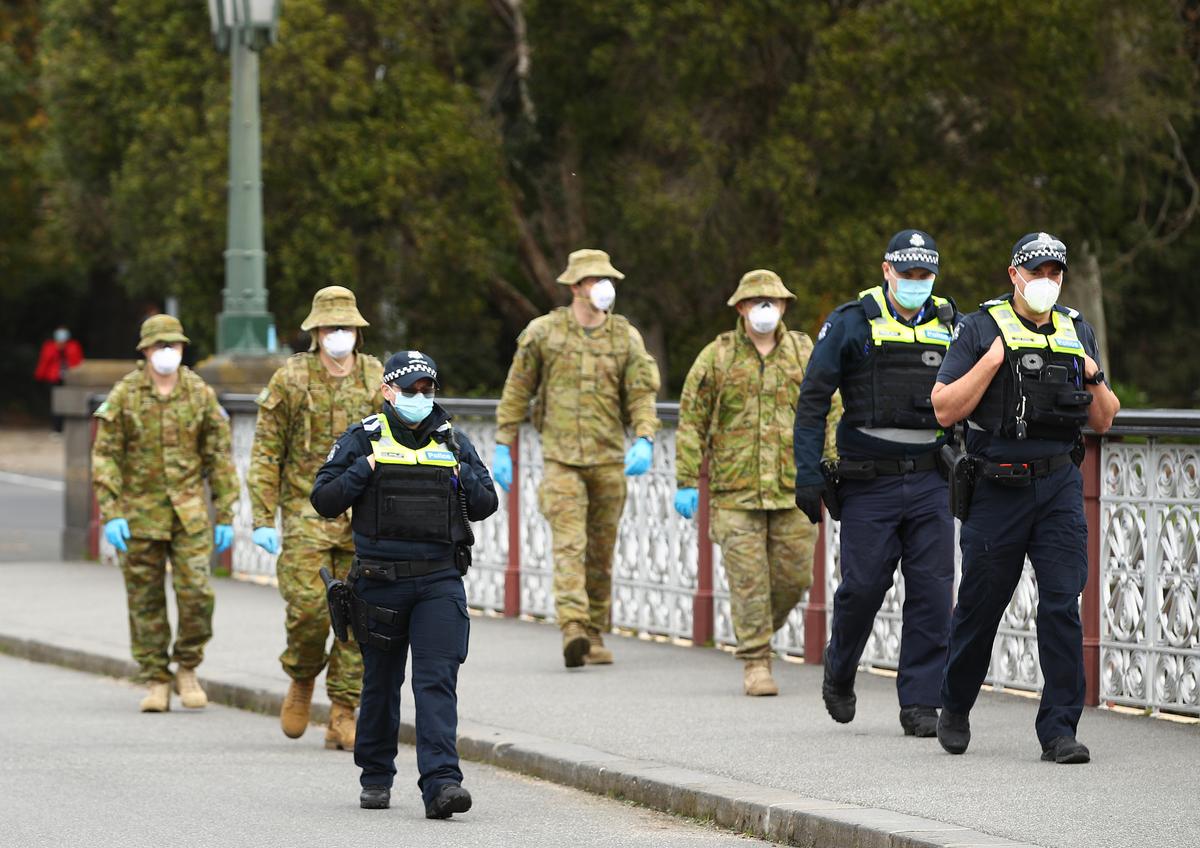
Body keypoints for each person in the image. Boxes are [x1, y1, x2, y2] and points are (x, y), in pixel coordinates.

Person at [931, 232, 1119, 764]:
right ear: (1014, 274)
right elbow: (944, 408)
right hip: (996, 486)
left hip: (1059, 484)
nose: (1046, 282)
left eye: (1055, 273)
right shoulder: (979, 327)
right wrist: (992, 362)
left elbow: (1103, 419)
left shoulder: (1076, 328)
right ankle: (955, 704)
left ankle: (1059, 730)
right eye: (1036, 272)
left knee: (1062, 604)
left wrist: (1094, 374)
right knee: (981, 606)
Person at [310, 350, 498, 816]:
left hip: (439, 580)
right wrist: (365, 469)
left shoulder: (451, 440)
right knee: (381, 682)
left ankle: (442, 785)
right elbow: (325, 499)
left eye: (426, 389)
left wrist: (462, 473)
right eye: (410, 389)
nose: (419, 397)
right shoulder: (363, 438)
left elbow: (486, 503)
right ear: (388, 391)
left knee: (436, 682)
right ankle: (375, 774)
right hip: (380, 582)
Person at [793, 229, 960, 737]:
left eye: (924, 276)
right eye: (907, 274)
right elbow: (813, 399)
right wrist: (805, 473)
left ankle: (920, 703)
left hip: (932, 478)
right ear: (887, 270)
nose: (916, 283)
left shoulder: (952, 325)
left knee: (933, 592)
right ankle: (840, 670)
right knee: (863, 588)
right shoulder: (851, 323)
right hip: (869, 483)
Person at [492, 249, 661, 667]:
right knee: (570, 543)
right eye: (594, 281)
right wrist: (502, 442)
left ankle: (594, 631)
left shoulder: (625, 337)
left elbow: (640, 392)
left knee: (601, 551)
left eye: (608, 280)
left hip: (608, 459)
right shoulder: (544, 333)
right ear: (574, 287)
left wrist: (645, 436)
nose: (604, 288)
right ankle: (572, 627)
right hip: (560, 459)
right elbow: (518, 388)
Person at [674, 270, 838, 695]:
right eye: (756, 301)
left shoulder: (805, 351)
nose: (765, 308)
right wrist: (687, 479)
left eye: (773, 301)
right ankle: (757, 661)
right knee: (748, 581)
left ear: (783, 306)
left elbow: (831, 407)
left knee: (794, 578)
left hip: (793, 488)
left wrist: (832, 464)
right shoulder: (718, 356)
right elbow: (692, 419)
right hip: (735, 492)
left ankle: (756, 634)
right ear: (741, 308)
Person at [248, 286, 384, 750]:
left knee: (359, 615)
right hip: (306, 511)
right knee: (308, 609)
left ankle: (344, 711)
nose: (338, 336)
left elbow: (398, 440)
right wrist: (263, 516)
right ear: (316, 332)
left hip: (363, 515)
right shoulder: (292, 378)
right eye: (330, 328)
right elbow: (266, 450)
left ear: (358, 333)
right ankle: (302, 676)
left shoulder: (376, 377)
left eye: (346, 328)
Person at [91, 315, 239, 712]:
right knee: (144, 601)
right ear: (144, 351)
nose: (167, 353)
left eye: (173, 345)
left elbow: (219, 458)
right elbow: (105, 456)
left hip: (189, 516)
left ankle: (187, 666)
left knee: (197, 596)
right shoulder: (126, 395)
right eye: (160, 346)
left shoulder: (198, 393)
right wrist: (112, 512)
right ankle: (156, 677)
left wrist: (226, 513)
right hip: (139, 516)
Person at [33, 325, 84, 432]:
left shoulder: (73, 346)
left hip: (69, 380)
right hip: (54, 379)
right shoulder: (50, 347)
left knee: (68, 403)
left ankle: (68, 427)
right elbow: (44, 362)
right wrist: (39, 376)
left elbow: (77, 362)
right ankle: (56, 428)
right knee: (56, 404)